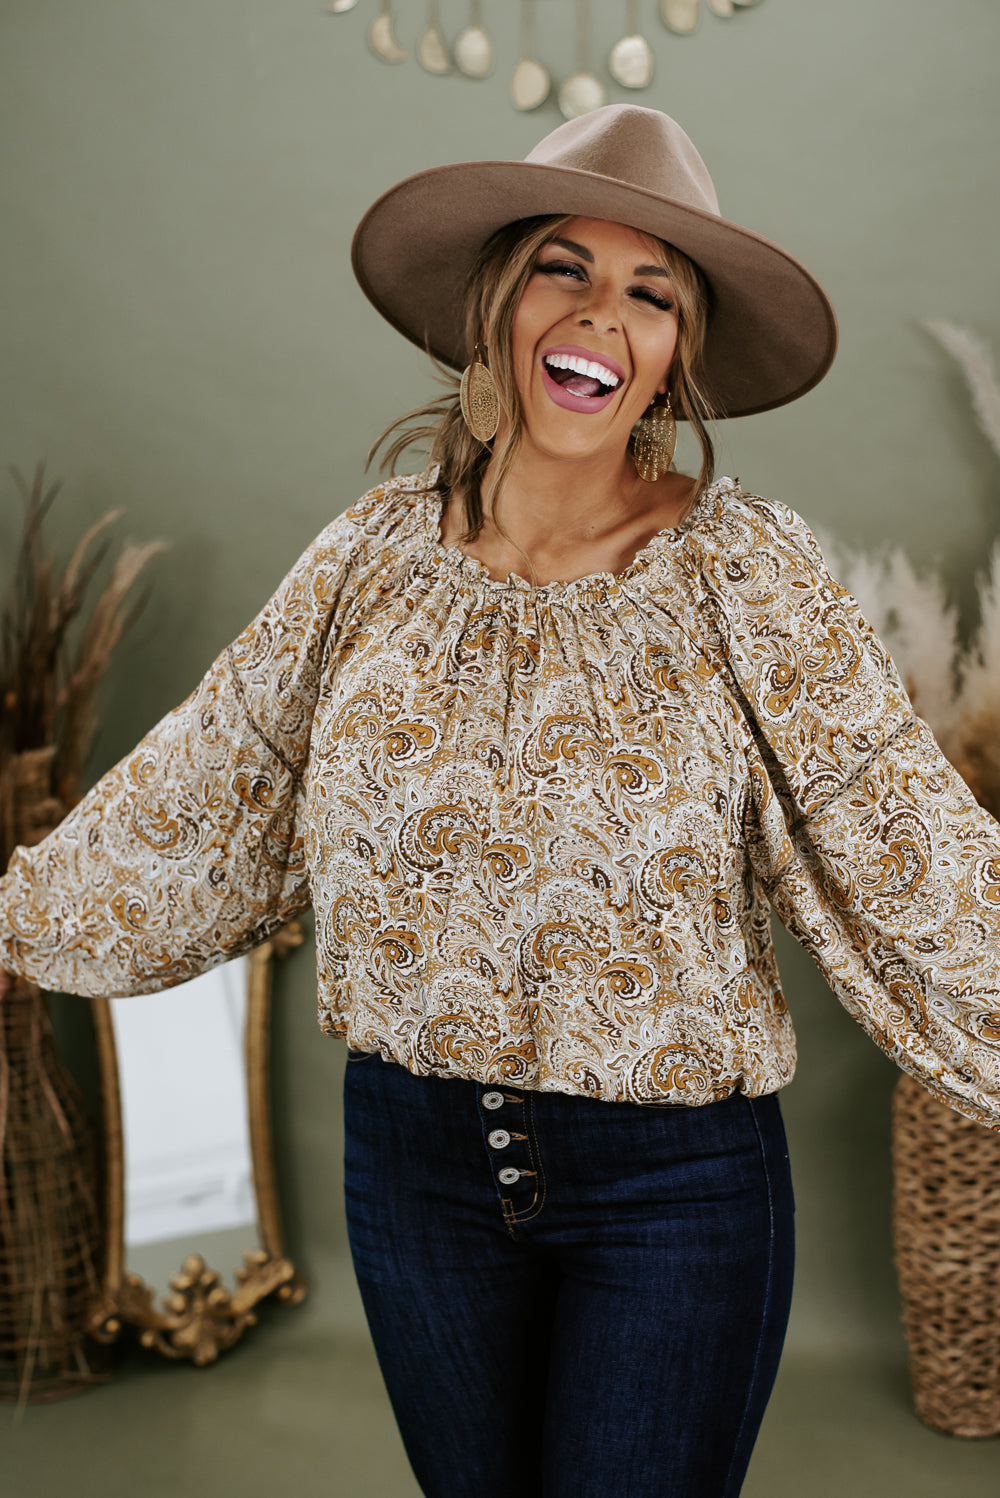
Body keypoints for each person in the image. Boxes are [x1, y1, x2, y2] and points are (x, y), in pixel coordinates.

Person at [1, 106, 999, 1497]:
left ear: (677, 355)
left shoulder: (746, 572)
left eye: (652, 293)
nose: (602, 316)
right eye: (561, 269)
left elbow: (908, 844)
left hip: (672, 1187)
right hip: (412, 1171)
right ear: (495, 303)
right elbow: (200, 788)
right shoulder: (369, 560)